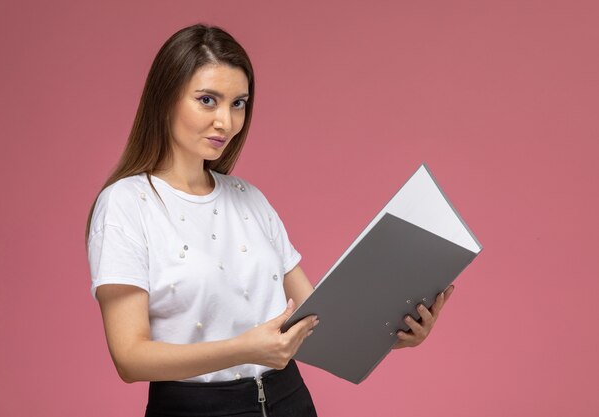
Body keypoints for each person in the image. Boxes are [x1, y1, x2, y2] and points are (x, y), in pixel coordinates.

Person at [85, 23, 454, 417]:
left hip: (289, 401)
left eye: (238, 103)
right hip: (195, 409)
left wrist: (392, 333)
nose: (226, 122)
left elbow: (314, 323)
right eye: (207, 100)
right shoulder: (125, 204)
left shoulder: (250, 199)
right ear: (165, 98)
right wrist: (245, 349)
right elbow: (129, 357)